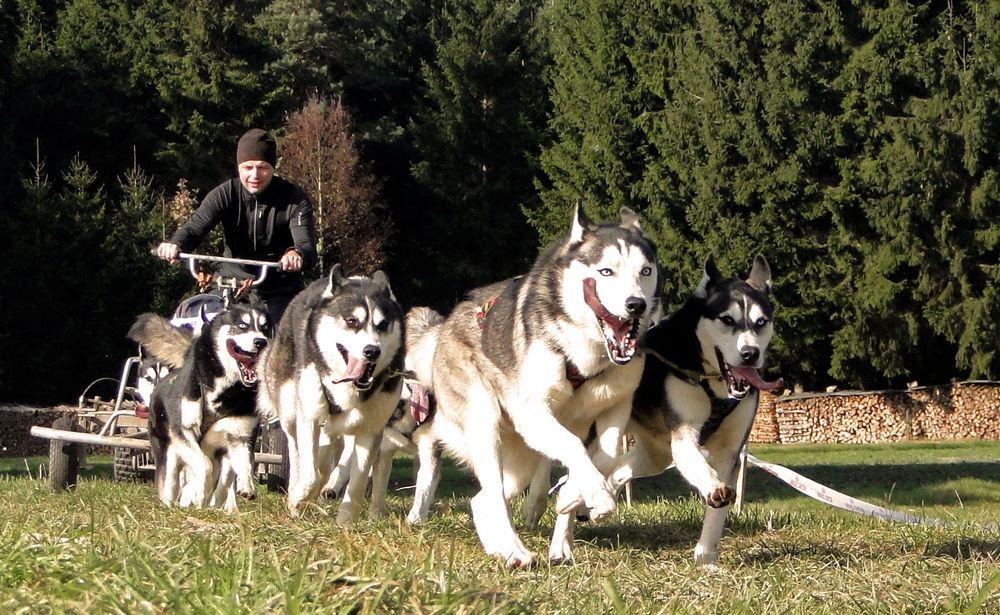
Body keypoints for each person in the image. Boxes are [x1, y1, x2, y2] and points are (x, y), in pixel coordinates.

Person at [157, 128, 318, 323]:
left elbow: (307, 246)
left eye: (262, 167)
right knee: (193, 321)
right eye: (248, 167)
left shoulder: (294, 199)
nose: (255, 175)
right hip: (228, 284)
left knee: (287, 334)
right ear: (239, 167)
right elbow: (193, 228)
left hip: (279, 289)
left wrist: (296, 254)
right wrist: (176, 244)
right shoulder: (225, 194)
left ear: (273, 167)